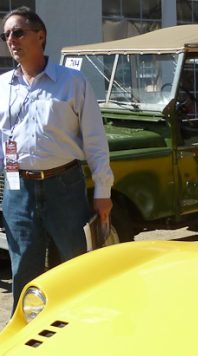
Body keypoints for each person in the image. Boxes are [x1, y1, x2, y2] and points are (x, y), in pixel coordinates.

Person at [0, 6, 113, 310]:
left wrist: (103, 192)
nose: (11, 39)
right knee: (23, 267)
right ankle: (24, 333)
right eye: (6, 34)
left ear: (40, 36)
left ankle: (83, 325)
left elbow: (96, 142)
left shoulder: (73, 82)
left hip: (64, 187)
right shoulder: (1, 87)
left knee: (76, 264)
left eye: (18, 32)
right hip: (17, 190)